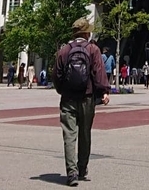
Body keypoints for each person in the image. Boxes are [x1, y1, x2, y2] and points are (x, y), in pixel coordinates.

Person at [53, 17, 110, 187]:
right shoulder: (93, 49)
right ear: (86, 33)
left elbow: (56, 76)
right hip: (87, 98)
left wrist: (62, 90)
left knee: (69, 135)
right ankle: (82, 168)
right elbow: (98, 73)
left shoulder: (63, 51)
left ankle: (71, 173)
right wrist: (104, 91)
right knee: (85, 134)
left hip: (68, 99)